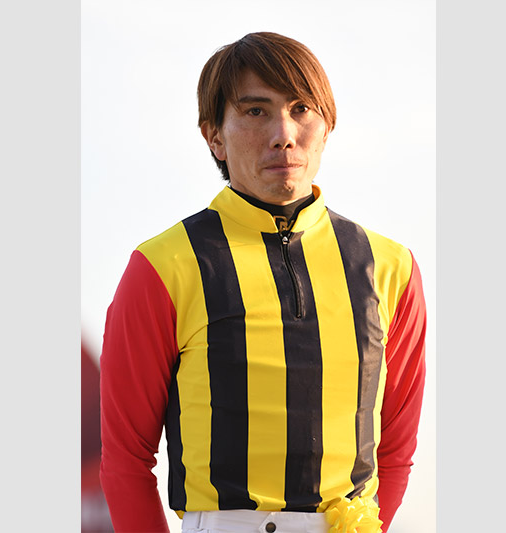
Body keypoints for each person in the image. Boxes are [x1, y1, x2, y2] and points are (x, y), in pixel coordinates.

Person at [99, 32, 426, 533]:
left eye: (301, 109)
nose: (283, 134)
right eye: (256, 111)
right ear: (213, 135)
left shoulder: (391, 267)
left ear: (327, 126)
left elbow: (396, 452)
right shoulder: (163, 266)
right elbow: (125, 459)